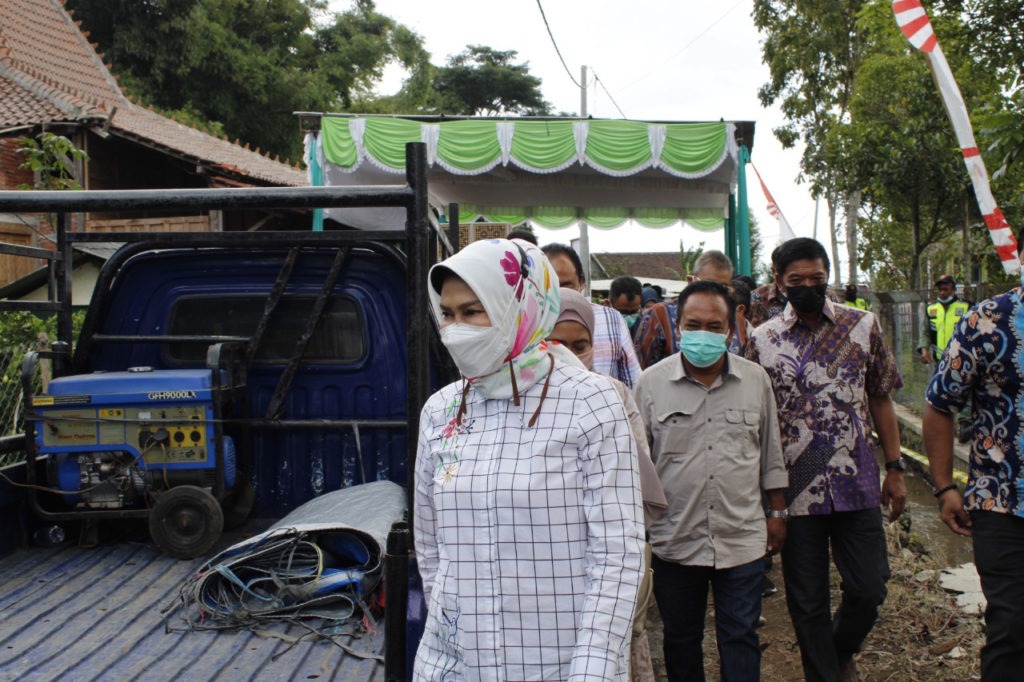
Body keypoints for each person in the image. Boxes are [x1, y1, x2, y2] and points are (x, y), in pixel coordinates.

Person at [414, 238, 644, 680]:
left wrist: (593, 666)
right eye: (448, 313)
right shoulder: (440, 411)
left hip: (559, 662)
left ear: (518, 308)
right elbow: (431, 545)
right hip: (456, 663)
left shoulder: (589, 401)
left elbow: (617, 551)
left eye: (472, 312)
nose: (456, 328)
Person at [745, 237, 907, 682]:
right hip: (795, 488)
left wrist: (895, 468)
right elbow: (757, 418)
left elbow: (881, 398)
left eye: (816, 279)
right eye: (796, 280)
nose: (808, 287)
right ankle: (823, 673)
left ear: (828, 276)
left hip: (856, 481)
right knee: (807, 600)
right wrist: (768, 500)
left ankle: (837, 651)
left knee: (868, 588)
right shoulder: (762, 339)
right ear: (778, 282)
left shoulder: (863, 325)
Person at [634, 280, 788, 682]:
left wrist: (777, 512)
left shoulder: (755, 382)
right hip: (675, 539)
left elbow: (770, 452)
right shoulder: (650, 385)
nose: (704, 334)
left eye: (714, 325)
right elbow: (637, 465)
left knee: (740, 635)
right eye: (694, 324)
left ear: (732, 329)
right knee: (682, 638)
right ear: (680, 326)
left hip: (741, 536)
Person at [548, 287, 668, 682]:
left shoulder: (613, 394)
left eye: (579, 345)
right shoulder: (518, 399)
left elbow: (639, 477)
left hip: (604, 555)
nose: (567, 354)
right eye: (555, 343)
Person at [922, 249, 1024, 679]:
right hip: (1002, 503)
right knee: (1011, 630)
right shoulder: (987, 320)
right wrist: (945, 487)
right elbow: (940, 403)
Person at [541, 243, 642, 386]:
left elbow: (633, 383)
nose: (558, 294)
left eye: (565, 285)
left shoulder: (611, 320)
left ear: (581, 282)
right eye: (549, 286)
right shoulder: (522, 326)